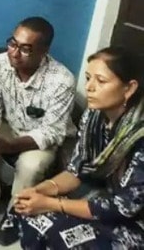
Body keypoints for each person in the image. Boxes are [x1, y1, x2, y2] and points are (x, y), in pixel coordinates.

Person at [15, 46, 144, 249]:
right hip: (104, 198)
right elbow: (76, 170)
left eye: (100, 81)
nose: (89, 87)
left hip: (134, 219)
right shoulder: (93, 117)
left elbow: (124, 208)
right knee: (29, 211)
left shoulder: (140, 135)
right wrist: (39, 190)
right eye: (88, 78)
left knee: (70, 240)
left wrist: (51, 203)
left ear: (129, 88)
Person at [0, 16, 77, 244]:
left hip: (40, 138)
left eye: (25, 49)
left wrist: (11, 146)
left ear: (44, 51)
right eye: (12, 43)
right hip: (9, 126)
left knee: (31, 165)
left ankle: (15, 213)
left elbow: (52, 132)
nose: (14, 53)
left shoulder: (62, 80)